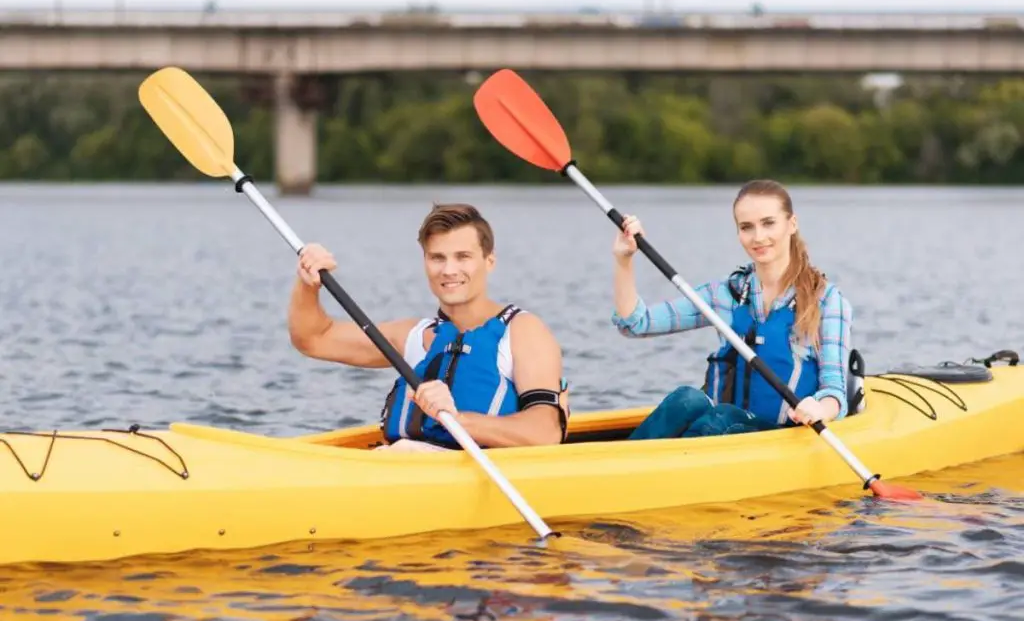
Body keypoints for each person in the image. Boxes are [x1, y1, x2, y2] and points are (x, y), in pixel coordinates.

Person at [288, 203, 569, 452]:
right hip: (404, 462)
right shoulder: (412, 336)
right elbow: (314, 338)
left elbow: (544, 433)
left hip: (479, 473)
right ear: (425, 263)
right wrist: (308, 283)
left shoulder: (522, 332)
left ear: (489, 262)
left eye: (463, 257)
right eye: (437, 258)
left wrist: (456, 419)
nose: (448, 270)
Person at [610, 179, 854, 441]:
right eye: (746, 227)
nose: (758, 237)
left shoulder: (827, 301)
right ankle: (623, 467)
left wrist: (819, 408)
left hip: (781, 437)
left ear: (791, 224)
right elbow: (636, 323)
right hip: (725, 433)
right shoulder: (727, 295)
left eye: (768, 223)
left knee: (722, 418)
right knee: (686, 399)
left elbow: (834, 392)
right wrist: (624, 260)